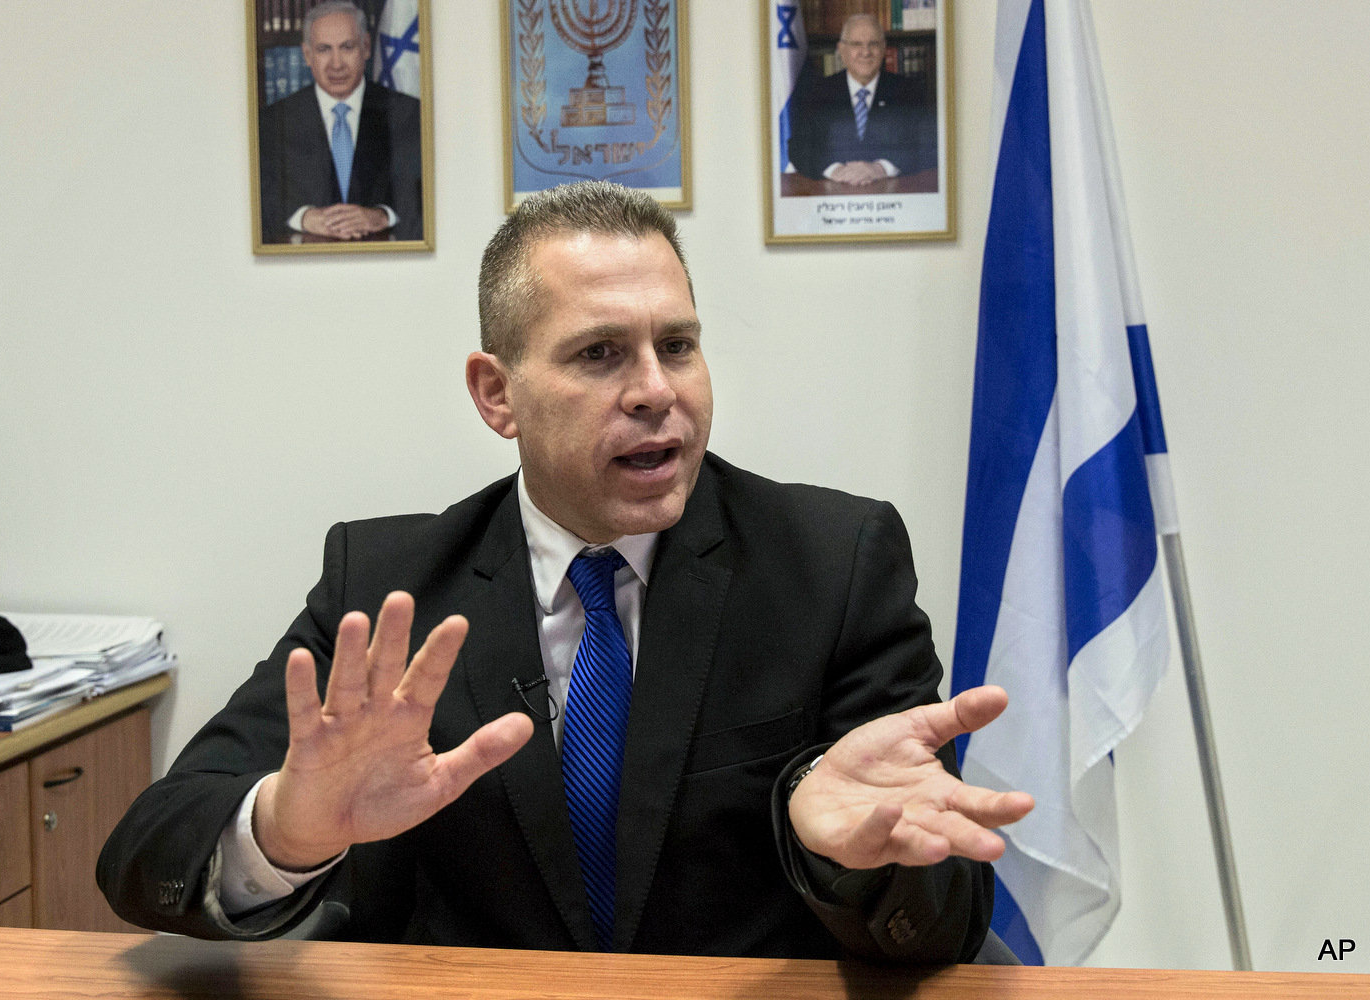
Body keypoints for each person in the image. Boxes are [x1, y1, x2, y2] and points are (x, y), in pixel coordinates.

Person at [97, 181, 1033, 963]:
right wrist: (288, 834)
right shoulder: (388, 588)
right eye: (599, 354)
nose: (656, 391)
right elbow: (148, 848)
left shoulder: (833, 563)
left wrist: (850, 861)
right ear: (496, 393)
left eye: (677, 345)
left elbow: (948, 921)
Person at [257, 1, 422, 242]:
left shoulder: (407, 114)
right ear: (307, 55)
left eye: (347, 47)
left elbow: (427, 202)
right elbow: (259, 205)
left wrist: (384, 216)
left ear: (366, 47)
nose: (336, 64)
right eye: (324, 49)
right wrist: (303, 218)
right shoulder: (273, 122)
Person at [788, 14, 937, 185]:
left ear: (883, 49)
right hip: (832, 195)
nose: (865, 52)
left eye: (873, 44)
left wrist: (881, 168)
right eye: (856, 44)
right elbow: (798, 148)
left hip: (893, 195)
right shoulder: (817, 92)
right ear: (842, 50)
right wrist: (835, 170)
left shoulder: (910, 91)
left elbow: (927, 147)